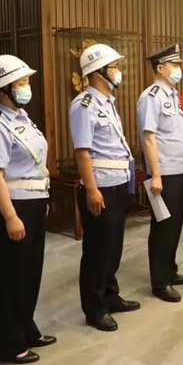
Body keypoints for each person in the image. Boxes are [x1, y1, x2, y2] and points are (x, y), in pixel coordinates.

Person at [0, 54, 54, 364]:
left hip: (32, 203)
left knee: (30, 273)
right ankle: (10, 344)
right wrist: (11, 217)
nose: (27, 87)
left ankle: (26, 329)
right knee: (11, 276)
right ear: (3, 88)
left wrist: (41, 201)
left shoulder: (22, 118)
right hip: (12, 206)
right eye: (21, 82)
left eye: (26, 81)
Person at [70, 43, 140, 332]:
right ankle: (95, 308)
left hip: (118, 181)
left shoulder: (107, 102)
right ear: (98, 72)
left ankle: (111, 296)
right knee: (97, 251)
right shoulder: (83, 105)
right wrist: (91, 190)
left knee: (113, 247)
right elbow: (83, 152)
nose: (118, 71)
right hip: (101, 185)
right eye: (114, 67)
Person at [137, 43, 183, 303]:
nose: (179, 68)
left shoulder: (171, 95)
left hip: (179, 168)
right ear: (161, 68)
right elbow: (148, 138)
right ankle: (160, 282)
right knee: (163, 227)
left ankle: (170, 270)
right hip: (164, 172)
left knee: (175, 224)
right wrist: (156, 175)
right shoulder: (151, 97)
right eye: (175, 64)